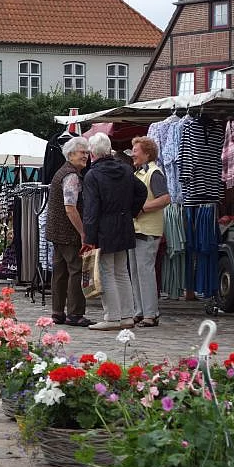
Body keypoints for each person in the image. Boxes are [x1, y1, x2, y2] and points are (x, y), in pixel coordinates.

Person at [82, 132, 147, 331]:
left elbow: (91, 209)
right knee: (121, 271)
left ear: (92, 153)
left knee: (107, 272)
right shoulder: (125, 169)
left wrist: (89, 237)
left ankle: (112, 317)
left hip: (104, 227)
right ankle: (127, 316)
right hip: (124, 223)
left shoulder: (92, 175)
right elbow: (141, 191)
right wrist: (131, 211)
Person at [44, 137, 95, 327]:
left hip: (57, 231)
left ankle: (57, 312)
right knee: (76, 271)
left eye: (87, 152)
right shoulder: (71, 175)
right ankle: (75, 313)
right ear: (71, 154)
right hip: (68, 232)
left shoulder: (61, 172)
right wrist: (83, 232)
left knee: (60, 271)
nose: (86, 156)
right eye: (82, 152)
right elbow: (70, 208)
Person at [128, 136, 170, 327]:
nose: (132, 154)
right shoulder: (139, 173)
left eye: (135, 151)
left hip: (148, 230)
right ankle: (140, 311)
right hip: (136, 229)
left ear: (147, 154)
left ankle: (151, 314)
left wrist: (142, 208)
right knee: (136, 272)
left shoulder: (154, 173)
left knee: (145, 272)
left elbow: (165, 199)